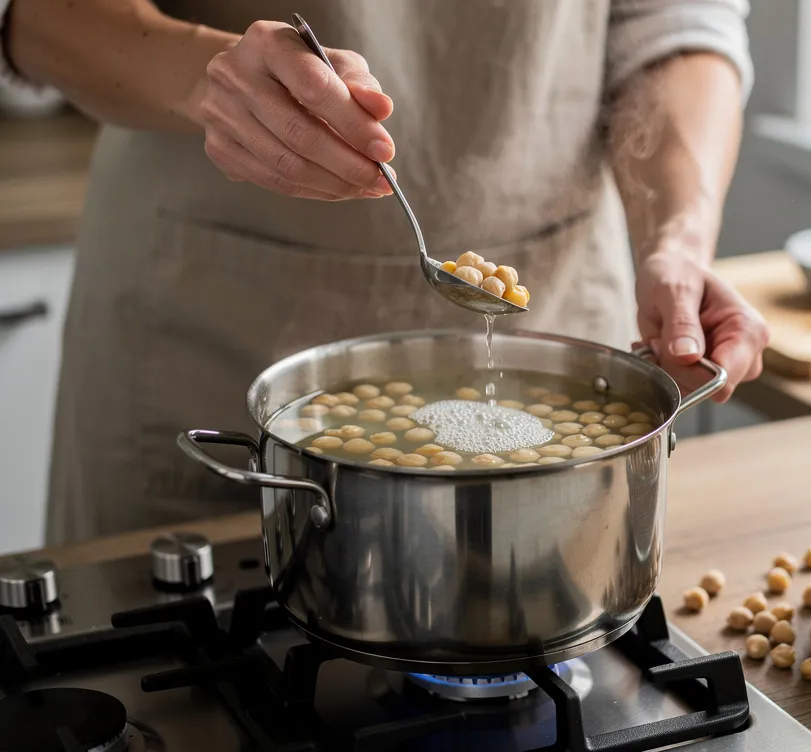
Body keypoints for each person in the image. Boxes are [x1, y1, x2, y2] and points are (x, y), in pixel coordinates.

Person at [3, 0, 768, 544]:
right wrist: (207, 77)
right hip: (209, 318)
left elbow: (675, 26)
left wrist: (678, 237)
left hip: (559, 301)